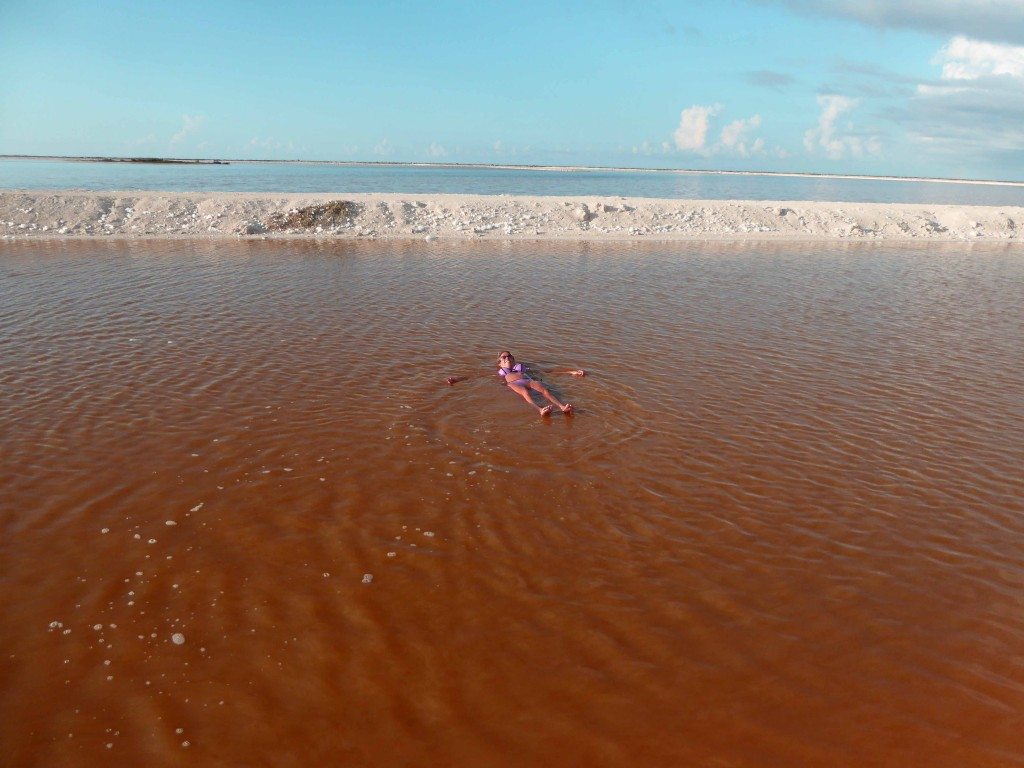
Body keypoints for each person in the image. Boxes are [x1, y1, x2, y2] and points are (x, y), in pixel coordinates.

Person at [447, 351, 585, 417]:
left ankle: (562, 407)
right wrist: (457, 379)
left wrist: (571, 372)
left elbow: (548, 371)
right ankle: (540, 410)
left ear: (514, 359)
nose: (507, 358)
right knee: (525, 393)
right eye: (504, 357)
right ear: (499, 363)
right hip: (514, 383)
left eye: (509, 356)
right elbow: (477, 376)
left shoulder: (524, 368)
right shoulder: (501, 373)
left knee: (545, 390)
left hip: (529, 380)